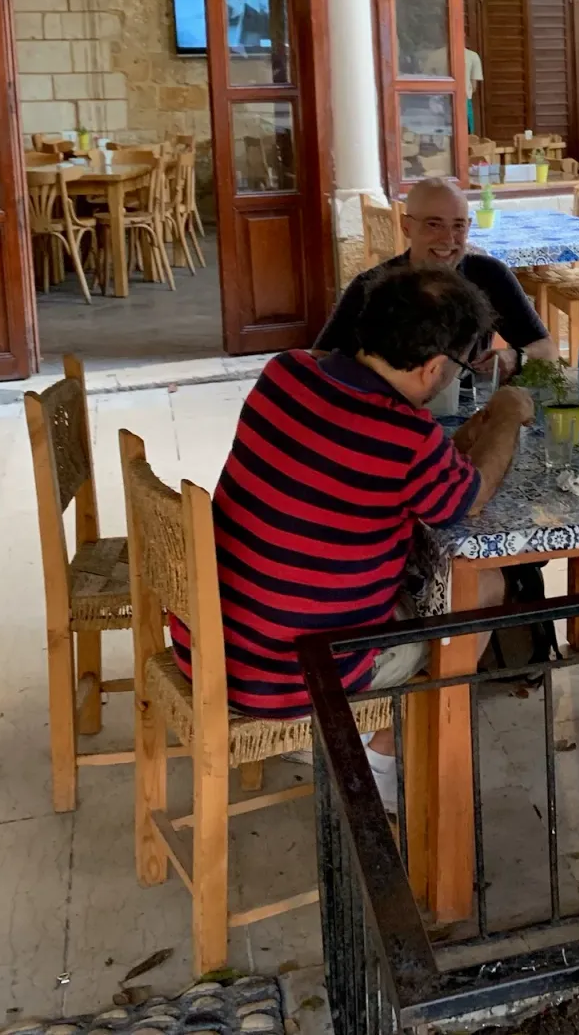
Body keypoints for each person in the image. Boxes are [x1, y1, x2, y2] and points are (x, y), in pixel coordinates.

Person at [180, 264, 533, 810]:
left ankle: (367, 739)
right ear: (434, 367)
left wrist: (469, 434)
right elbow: (467, 499)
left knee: (425, 584)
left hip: (212, 645)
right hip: (292, 674)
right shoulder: (405, 436)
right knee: (482, 589)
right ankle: (379, 754)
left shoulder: (284, 373)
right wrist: (506, 413)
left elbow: (420, 468)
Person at [319, 176, 558, 373]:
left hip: (471, 407)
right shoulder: (372, 286)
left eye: (458, 226)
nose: (448, 239)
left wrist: (515, 358)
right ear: (406, 226)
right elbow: (321, 358)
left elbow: (547, 349)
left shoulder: (489, 275)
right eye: (434, 224)